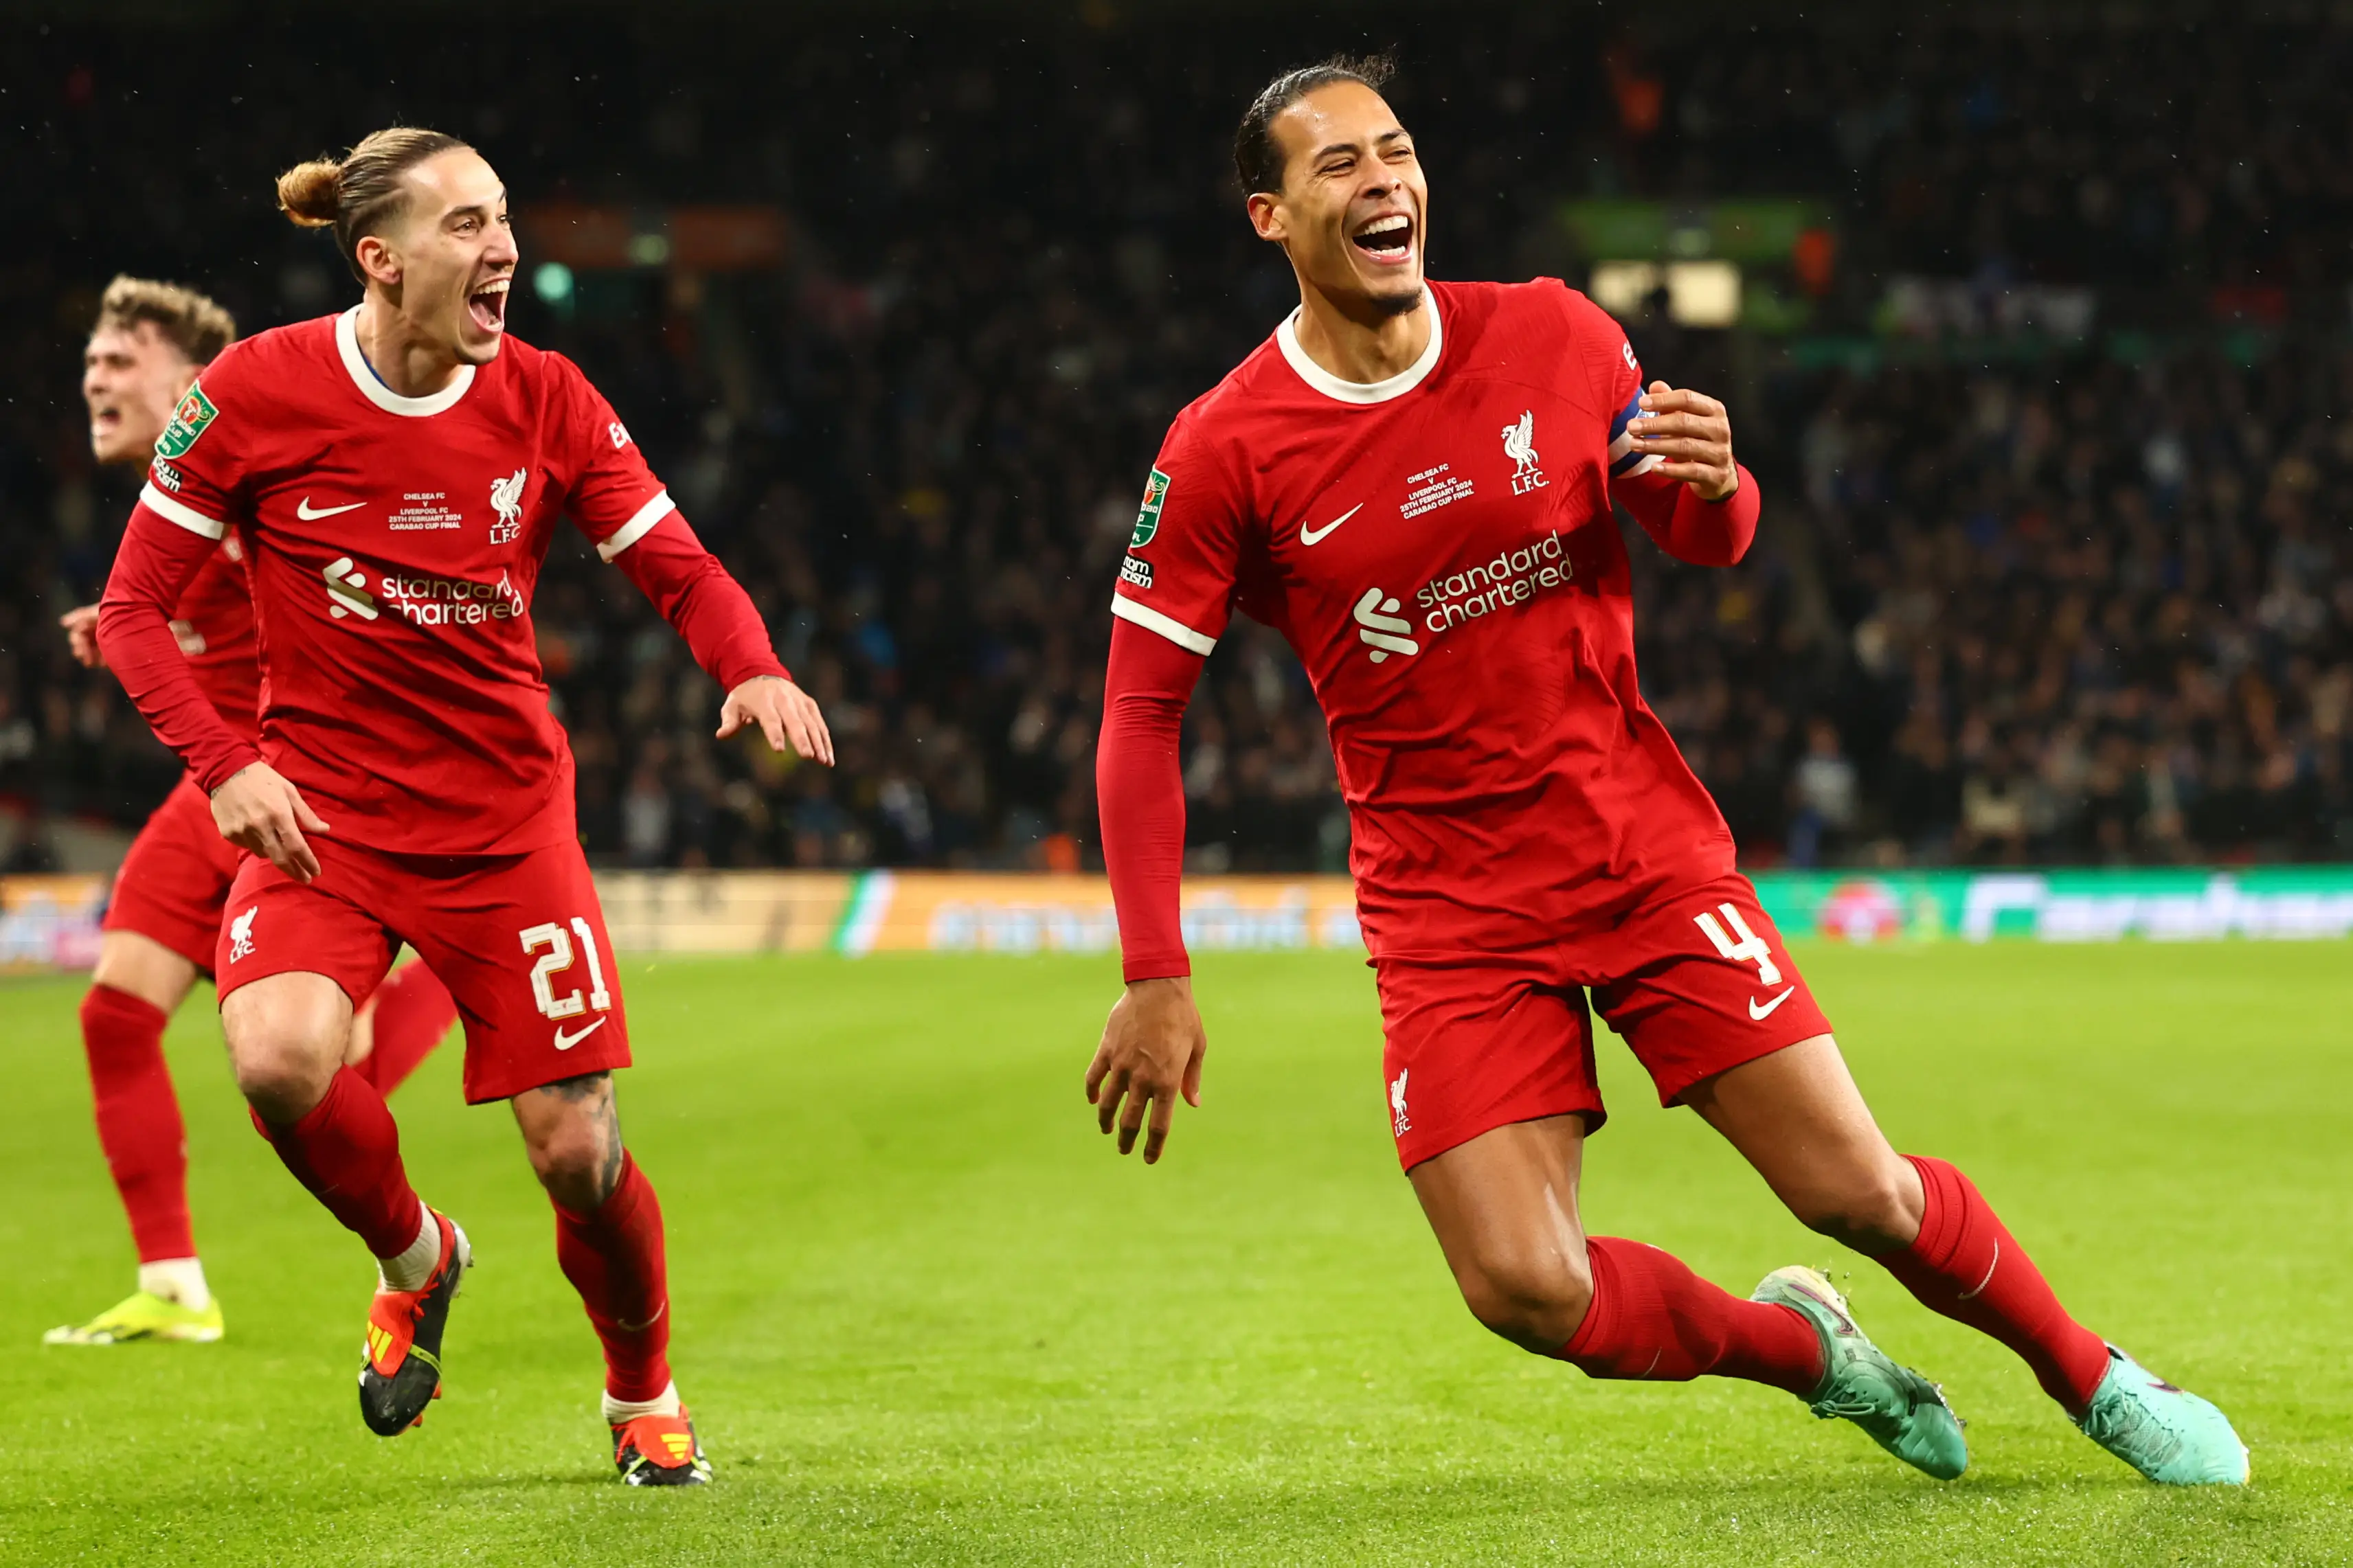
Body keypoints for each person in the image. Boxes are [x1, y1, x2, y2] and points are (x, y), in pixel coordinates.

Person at [1085, 56, 2246, 1487]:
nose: (1382, 180)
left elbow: (1702, 532)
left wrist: (1719, 482)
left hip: (1636, 851)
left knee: (1858, 1190)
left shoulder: (1555, 338)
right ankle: (1811, 1354)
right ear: (1268, 218)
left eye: (1393, 151)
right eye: (1336, 166)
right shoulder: (1222, 448)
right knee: (1523, 1288)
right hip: (1448, 909)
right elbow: (1139, 708)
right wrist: (1155, 966)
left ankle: (2099, 1380)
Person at [98, 128, 833, 1486]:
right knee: (272, 1059)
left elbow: (676, 565)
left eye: (502, 221)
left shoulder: (547, 397)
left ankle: (640, 1393)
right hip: (320, 816)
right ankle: (417, 1258)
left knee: (577, 1151)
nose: (502, 249)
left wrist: (754, 666)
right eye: (467, 226)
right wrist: (226, 762)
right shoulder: (257, 390)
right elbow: (134, 609)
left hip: (502, 828)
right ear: (379, 259)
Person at [48, 277, 460, 1350]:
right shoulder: (173, 497)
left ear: (189, 381)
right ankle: (175, 1282)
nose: (94, 375)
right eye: (91, 359)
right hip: (219, 787)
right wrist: (125, 613)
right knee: (116, 1013)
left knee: (322, 1080)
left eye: (119, 359)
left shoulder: (242, 462)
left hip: (294, 783)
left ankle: (454, 972)